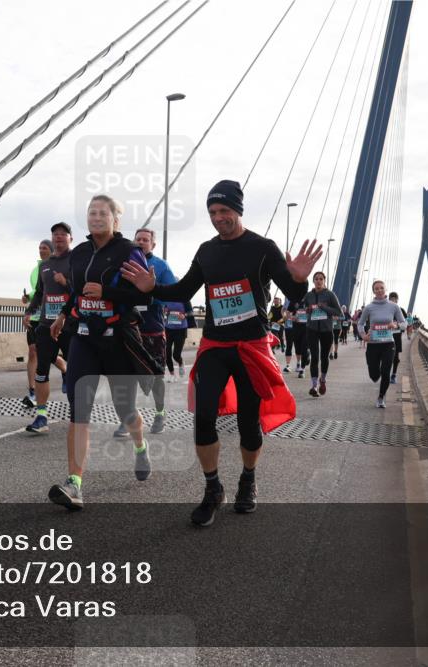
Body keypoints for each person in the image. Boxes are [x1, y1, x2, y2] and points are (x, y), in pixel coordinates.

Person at [122, 180, 321, 526]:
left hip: (251, 347)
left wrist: (300, 280)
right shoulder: (206, 251)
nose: (218, 218)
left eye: (224, 211)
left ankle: (248, 479)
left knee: (247, 423)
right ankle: (212, 488)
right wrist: (152, 290)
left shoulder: (263, 248)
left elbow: (294, 293)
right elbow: (184, 289)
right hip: (215, 346)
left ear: (238, 210)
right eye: (213, 212)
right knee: (203, 417)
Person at [46, 195, 158, 510]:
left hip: (117, 340)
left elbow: (144, 297)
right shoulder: (79, 253)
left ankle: (140, 445)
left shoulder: (129, 252)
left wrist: (107, 292)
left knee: (125, 410)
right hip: (84, 338)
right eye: (91, 212)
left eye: (102, 213)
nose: (96, 217)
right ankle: (75, 484)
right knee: (78, 408)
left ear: (115, 219)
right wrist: (63, 314)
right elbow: (76, 291)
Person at [114, 228, 176, 435]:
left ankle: (160, 413)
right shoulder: (125, 262)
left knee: (157, 374)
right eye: (138, 239)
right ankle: (128, 418)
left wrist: (149, 295)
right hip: (130, 328)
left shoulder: (160, 265)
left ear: (153, 244)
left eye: (145, 240)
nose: (141, 242)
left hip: (153, 329)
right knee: (127, 376)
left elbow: (173, 292)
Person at [24, 222, 74, 434]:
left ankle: (77, 411)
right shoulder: (45, 265)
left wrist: (66, 283)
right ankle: (41, 416)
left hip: (70, 325)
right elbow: (39, 292)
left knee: (77, 371)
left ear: (70, 238)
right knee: (42, 370)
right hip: (45, 325)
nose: (59, 238)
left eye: (63, 234)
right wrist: (29, 312)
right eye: (55, 235)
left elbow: (83, 292)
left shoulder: (76, 261)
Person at [357, 280, 406, 408]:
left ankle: (381, 397)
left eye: (381, 288)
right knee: (374, 375)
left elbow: (404, 323)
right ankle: (376, 376)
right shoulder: (369, 307)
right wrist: (363, 335)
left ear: (385, 289)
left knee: (385, 371)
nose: (379, 290)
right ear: (373, 291)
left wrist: (395, 325)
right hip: (373, 344)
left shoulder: (393, 306)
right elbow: (360, 323)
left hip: (388, 344)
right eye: (376, 288)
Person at [22, 240, 54, 408]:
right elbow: (38, 291)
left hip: (50, 317)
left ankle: (65, 372)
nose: (41, 250)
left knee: (50, 356)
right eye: (40, 248)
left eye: (45, 248)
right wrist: (27, 302)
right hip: (35, 317)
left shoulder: (57, 266)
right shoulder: (37, 269)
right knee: (33, 352)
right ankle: (32, 391)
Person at [305, 271, 341, 397]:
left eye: (321, 279)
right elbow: (305, 309)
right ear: (313, 281)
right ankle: (314, 386)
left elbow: (339, 312)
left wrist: (324, 307)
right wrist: (308, 310)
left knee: (324, 357)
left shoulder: (330, 294)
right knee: (315, 357)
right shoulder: (308, 295)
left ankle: (323, 380)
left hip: (326, 330)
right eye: (316, 279)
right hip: (312, 329)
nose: (319, 281)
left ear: (324, 281)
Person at [163, 299, 193, 381]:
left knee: (176, 355)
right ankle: (172, 375)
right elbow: (164, 311)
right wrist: (165, 311)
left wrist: (184, 315)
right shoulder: (167, 298)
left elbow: (191, 312)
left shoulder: (184, 298)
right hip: (169, 328)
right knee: (167, 352)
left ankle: (181, 362)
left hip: (181, 330)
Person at [285, 296, 310, 378]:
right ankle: (299, 362)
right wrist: (292, 317)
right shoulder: (294, 301)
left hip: (306, 328)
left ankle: (302, 369)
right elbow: (287, 312)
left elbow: (314, 311)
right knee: (298, 348)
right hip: (296, 328)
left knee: (304, 347)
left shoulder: (309, 300)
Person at [388, 291, 410, 384]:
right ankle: (386, 373)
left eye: (394, 299)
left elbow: (406, 322)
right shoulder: (386, 309)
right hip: (386, 336)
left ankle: (393, 375)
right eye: (391, 299)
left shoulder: (401, 310)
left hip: (397, 336)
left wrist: (399, 326)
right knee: (386, 357)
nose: (393, 301)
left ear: (397, 300)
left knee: (395, 357)